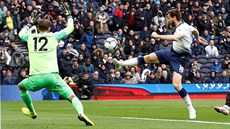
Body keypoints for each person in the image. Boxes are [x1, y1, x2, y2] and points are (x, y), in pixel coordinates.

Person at [113, 9, 208, 119]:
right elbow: (195, 30)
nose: (168, 20)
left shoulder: (181, 29)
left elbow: (175, 37)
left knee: (177, 85)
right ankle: (121, 64)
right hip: (171, 53)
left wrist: (158, 36)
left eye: (168, 18)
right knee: (148, 57)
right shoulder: (186, 26)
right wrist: (197, 38)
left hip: (180, 59)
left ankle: (191, 108)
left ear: (174, 17)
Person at [17, 5, 94, 126]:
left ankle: (32, 112)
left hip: (35, 78)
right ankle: (81, 113)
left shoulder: (30, 38)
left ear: (37, 28)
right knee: (72, 97)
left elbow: (20, 34)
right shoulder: (54, 36)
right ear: (49, 29)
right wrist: (68, 15)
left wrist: (29, 23)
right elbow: (70, 28)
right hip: (53, 77)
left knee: (21, 87)